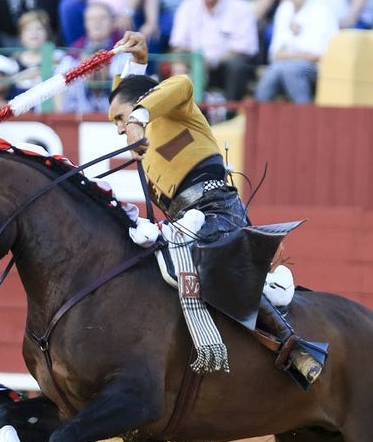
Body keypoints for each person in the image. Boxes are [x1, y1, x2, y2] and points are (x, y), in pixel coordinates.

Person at [106, 29, 325, 387]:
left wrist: (136, 118)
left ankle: (294, 344)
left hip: (217, 208)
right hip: (183, 218)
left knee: (211, 256)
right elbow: (127, 91)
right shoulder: (142, 129)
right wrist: (136, 61)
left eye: (118, 119)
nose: (118, 130)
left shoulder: (174, 107)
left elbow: (176, 85)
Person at [168, 0, 259, 110]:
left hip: (224, 66)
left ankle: (230, 112)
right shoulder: (188, 6)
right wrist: (180, 64)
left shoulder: (240, 7)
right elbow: (179, 44)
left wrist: (213, 61)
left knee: (236, 67)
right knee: (167, 65)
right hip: (195, 64)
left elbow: (245, 48)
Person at [253, 0, 338, 103]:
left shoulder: (322, 11)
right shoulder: (284, 10)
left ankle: (306, 118)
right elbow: (275, 53)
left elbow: (316, 55)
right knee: (273, 72)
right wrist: (295, 55)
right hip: (287, 64)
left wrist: (289, 55)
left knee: (290, 70)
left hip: (317, 67)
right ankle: (258, 119)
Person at [10, 9, 65, 90]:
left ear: (47, 33)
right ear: (21, 36)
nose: (34, 33)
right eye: (28, 29)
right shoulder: (12, 64)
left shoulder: (59, 58)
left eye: (39, 28)